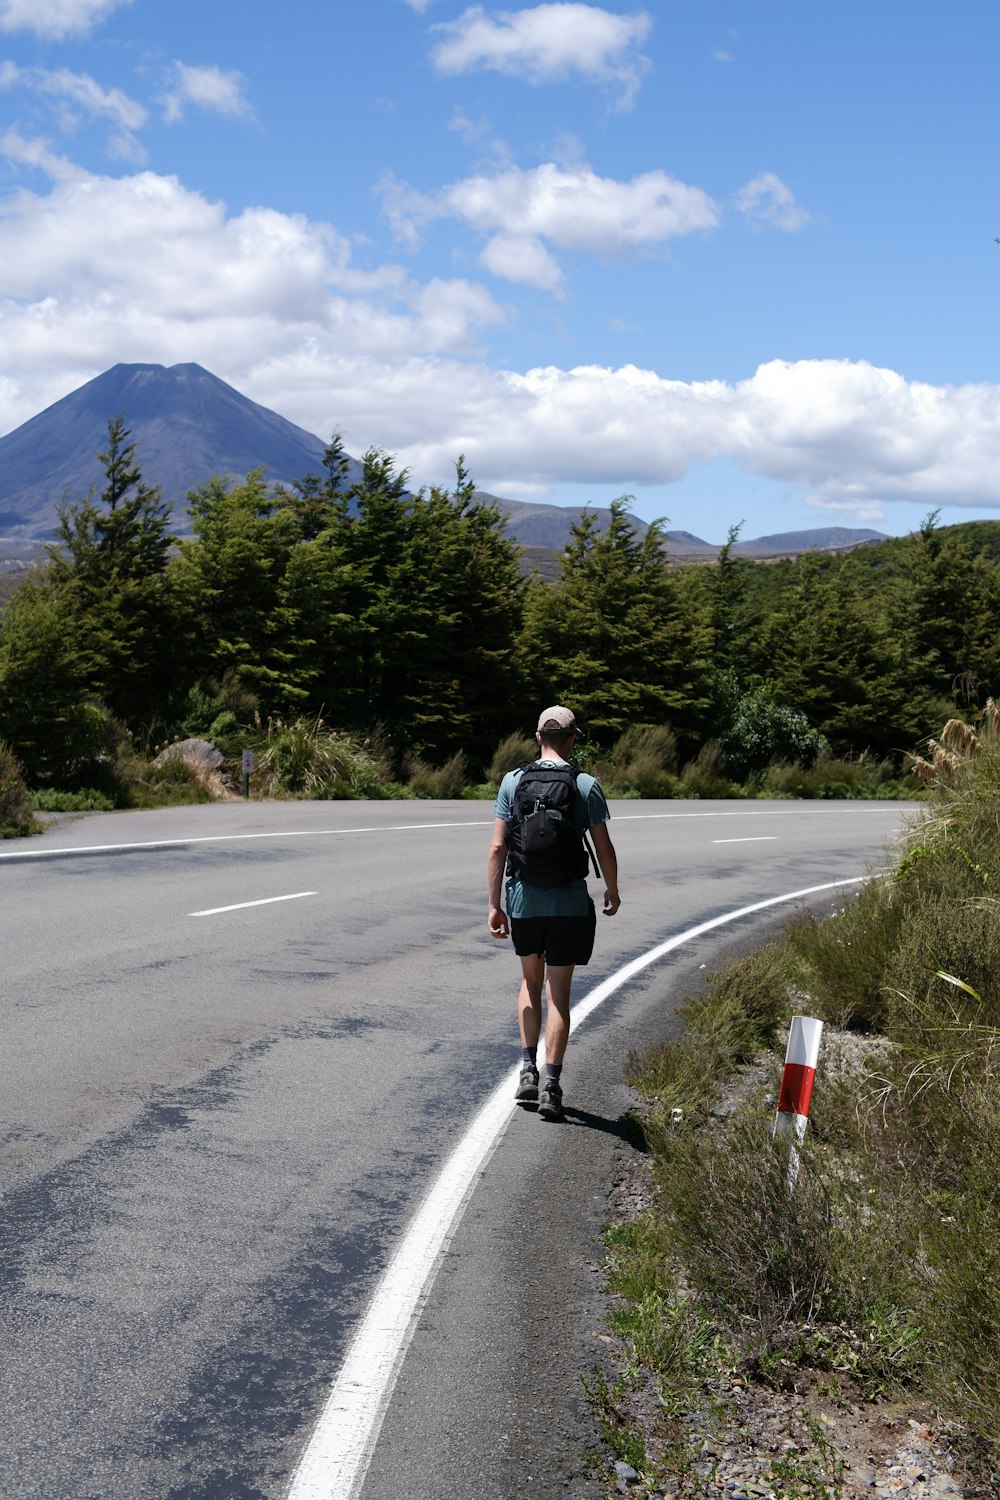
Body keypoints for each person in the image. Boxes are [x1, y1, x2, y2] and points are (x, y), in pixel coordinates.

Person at [487, 705, 621, 1121]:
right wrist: (612, 889)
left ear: (536, 736)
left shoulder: (513, 781)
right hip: (567, 903)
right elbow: (603, 846)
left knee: (530, 982)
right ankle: (551, 1084)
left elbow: (497, 847)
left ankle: (526, 1069)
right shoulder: (584, 785)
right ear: (573, 738)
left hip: (524, 900)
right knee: (558, 992)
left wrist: (495, 904)